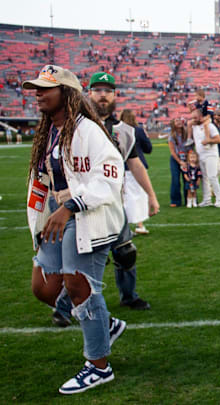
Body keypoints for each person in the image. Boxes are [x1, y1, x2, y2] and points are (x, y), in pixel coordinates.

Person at [23, 65, 126, 394]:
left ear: (66, 93)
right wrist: (45, 214)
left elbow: (110, 175)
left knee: (79, 287)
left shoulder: (89, 131)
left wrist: (70, 206)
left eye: (45, 88)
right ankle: (104, 323)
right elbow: (43, 180)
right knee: (43, 287)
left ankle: (99, 366)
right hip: (59, 213)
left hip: (87, 214)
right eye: (36, 88)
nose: (38, 93)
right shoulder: (51, 130)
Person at [53, 71, 156, 321]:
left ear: (114, 95)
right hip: (82, 204)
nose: (102, 95)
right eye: (97, 89)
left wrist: (151, 196)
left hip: (112, 204)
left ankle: (128, 296)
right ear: (88, 93)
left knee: (125, 252)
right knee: (84, 257)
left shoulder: (124, 132)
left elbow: (135, 165)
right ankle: (64, 308)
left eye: (107, 90)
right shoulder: (73, 126)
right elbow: (56, 162)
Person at [120, 109, 152, 234]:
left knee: (125, 197)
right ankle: (139, 224)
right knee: (139, 196)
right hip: (137, 166)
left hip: (122, 167)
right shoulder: (138, 131)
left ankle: (126, 227)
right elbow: (148, 148)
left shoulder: (117, 131)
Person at [190, 106, 220, 207]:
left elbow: (218, 140)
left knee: (212, 176)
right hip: (201, 155)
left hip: (211, 154)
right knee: (205, 178)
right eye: (192, 118)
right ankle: (207, 200)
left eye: (195, 118)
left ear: (201, 117)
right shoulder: (194, 127)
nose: (193, 120)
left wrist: (209, 140)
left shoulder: (210, 126)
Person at [168, 118, 189, 207]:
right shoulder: (172, 136)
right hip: (176, 159)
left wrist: (187, 160)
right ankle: (175, 201)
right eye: (177, 121)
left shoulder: (187, 133)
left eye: (180, 120)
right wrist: (180, 162)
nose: (179, 121)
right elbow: (172, 152)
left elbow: (190, 146)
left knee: (187, 179)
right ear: (173, 124)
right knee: (175, 180)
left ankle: (189, 199)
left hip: (187, 158)